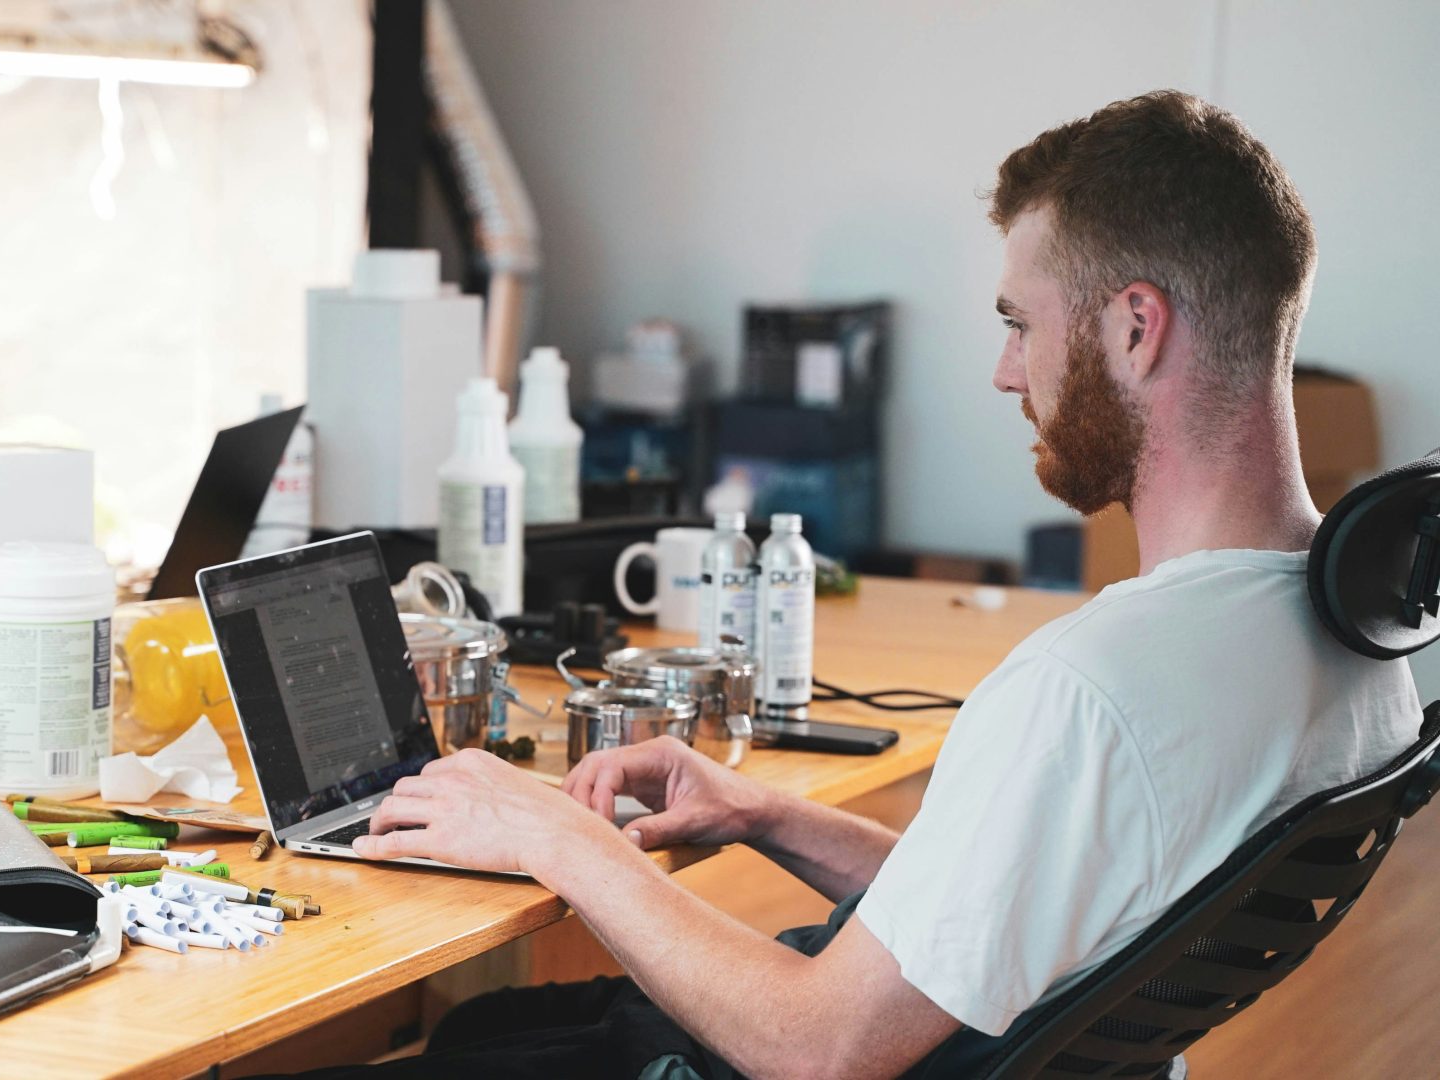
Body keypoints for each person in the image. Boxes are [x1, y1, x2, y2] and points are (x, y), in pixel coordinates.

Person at [320, 91, 1423, 1078]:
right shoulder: (1350, 650)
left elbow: (818, 1050)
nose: (1005, 370)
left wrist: (551, 835)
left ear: (1136, 329)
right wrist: (763, 813)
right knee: (477, 1037)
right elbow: (1018, 907)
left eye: (1018, 324)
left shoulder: (1094, 691)